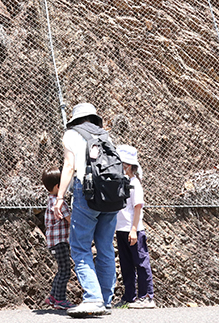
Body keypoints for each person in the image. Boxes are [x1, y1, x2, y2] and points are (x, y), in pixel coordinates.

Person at [53, 103, 117, 317]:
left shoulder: (71, 134)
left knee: (80, 247)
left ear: (75, 119)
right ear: (93, 118)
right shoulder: (106, 135)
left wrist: (60, 197)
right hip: (111, 194)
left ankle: (93, 298)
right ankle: (106, 300)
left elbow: (69, 166)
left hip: (87, 192)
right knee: (106, 247)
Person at [114, 145, 156, 309]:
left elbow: (137, 207)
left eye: (121, 165)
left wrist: (133, 229)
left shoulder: (134, 183)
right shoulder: (121, 183)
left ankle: (147, 297)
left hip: (134, 230)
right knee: (126, 264)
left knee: (141, 262)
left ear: (129, 166)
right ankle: (129, 297)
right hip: (121, 229)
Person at [42, 169, 76, 310]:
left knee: (62, 269)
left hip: (54, 242)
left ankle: (53, 297)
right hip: (59, 242)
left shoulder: (51, 200)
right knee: (65, 271)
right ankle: (60, 299)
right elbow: (70, 220)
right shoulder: (59, 202)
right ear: (58, 186)